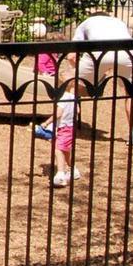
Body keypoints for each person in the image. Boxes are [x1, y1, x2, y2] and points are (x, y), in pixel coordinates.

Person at [72, 11, 133, 146]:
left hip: (99, 52)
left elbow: (71, 56)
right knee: (132, 92)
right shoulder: (119, 22)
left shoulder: (86, 23)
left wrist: (78, 73)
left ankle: (61, 123)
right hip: (127, 53)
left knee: (70, 85)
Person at [51, 59, 84, 187]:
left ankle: (60, 174)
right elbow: (78, 111)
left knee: (58, 149)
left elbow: (58, 113)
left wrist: (47, 122)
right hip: (71, 127)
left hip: (63, 127)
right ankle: (73, 170)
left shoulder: (63, 98)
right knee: (66, 150)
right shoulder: (74, 97)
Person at [32, 30, 64, 140]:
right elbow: (40, 63)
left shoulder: (53, 53)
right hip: (47, 75)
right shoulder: (46, 52)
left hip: (52, 73)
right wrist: (44, 73)